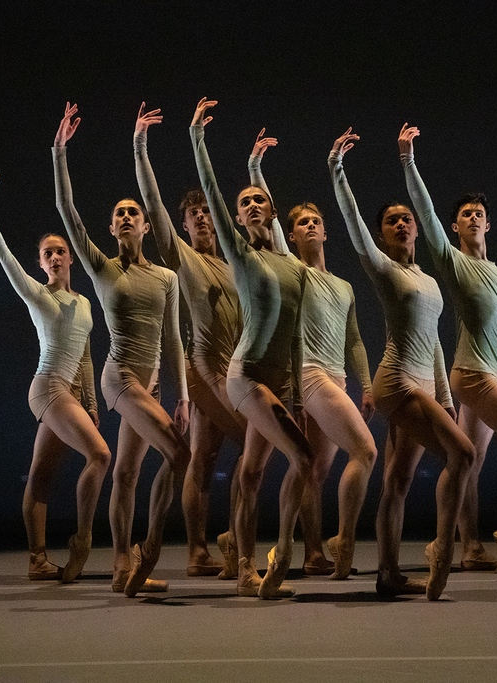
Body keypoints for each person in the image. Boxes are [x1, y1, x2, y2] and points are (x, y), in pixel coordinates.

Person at [328, 129, 476, 600]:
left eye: (406, 219)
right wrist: (337, 167)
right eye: (392, 221)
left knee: (398, 480)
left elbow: (433, 343)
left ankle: (387, 573)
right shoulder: (384, 269)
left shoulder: (428, 280)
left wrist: (447, 399)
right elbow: (351, 219)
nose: (402, 225)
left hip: (425, 385)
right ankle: (442, 557)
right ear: (382, 234)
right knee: (464, 454)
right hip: (396, 384)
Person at [53, 103, 191, 596]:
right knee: (179, 452)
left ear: (147, 226)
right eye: (120, 214)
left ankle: (119, 569)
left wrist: (184, 395)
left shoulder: (167, 276)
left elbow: (174, 339)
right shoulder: (102, 269)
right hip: (121, 377)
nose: (128, 217)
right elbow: (68, 213)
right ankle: (145, 552)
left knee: (129, 473)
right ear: (112, 229)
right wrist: (59, 152)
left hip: (151, 380)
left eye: (135, 212)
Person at [398, 124, 497, 573]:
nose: (474, 217)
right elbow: (423, 210)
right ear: (456, 226)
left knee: (472, 462)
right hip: (473, 376)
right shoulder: (454, 263)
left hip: (492, 374)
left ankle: (468, 547)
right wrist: (408, 159)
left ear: (488, 222)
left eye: (479, 212)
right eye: (465, 214)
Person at [191, 97, 312, 599]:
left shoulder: (292, 263)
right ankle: (275, 554)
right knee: (304, 459)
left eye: (259, 199)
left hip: (281, 378)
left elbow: (298, 329)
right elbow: (217, 199)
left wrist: (256, 166)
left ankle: (237, 557)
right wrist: (198, 141)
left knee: (253, 471)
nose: (251, 206)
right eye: (244, 204)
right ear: (236, 220)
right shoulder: (241, 255)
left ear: (273, 209)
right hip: (246, 377)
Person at [247, 133, 377, 580]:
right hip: (309, 376)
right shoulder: (293, 269)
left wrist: (366, 382)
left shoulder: (343, 285)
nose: (307, 227)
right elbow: (268, 216)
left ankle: (309, 552)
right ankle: (340, 544)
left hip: (337, 377)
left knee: (314, 470)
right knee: (365, 451)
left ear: (324, 230)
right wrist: (255, 169)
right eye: (299, 223)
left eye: (313, 222)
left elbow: (355, 339)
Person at [0, 167, 111, 584]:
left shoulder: (85, 303)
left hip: (69, 393)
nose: (54, 257)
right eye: (47, 253)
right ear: (41, 263)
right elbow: (2, 256)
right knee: (101, 456)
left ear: (71, 258)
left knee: (41, 476)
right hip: (47, 387)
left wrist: (91, 403)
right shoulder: (37, 294)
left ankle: (37, 559)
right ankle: (81, 542)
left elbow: (87, 358)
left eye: (60, 251)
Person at [133, 103, 247, 579]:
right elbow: (154, 206)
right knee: (259, 439)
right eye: (193, 213)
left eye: (206, 211)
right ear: (184, 225)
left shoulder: (237, 265)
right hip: (205, 368)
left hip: (234, 371)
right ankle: (218, 545)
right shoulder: (182, 256)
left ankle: (208, 546)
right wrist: (141, 145)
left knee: (204, 455)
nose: (201, 217)